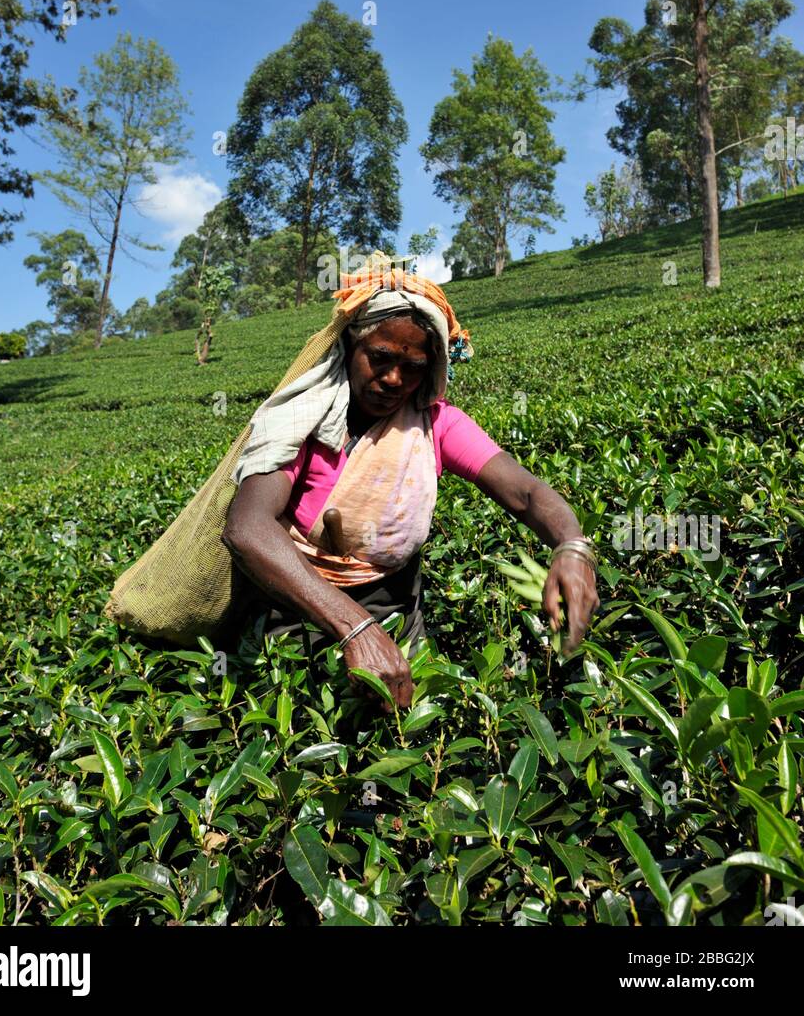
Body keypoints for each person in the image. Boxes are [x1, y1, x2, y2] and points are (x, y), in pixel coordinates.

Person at [221, 257, 600, 714]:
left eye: (413, 366)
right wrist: (356, 628)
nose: (393, 379)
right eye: (379, 358)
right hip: (294, 622)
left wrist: (572, 547)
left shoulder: (434, 425)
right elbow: (247, 528)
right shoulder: (301, 423)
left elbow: (528, 492)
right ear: (350, 346)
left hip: (397, 621)